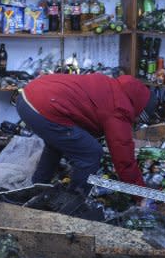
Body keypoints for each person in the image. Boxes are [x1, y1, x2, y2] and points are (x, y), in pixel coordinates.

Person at [16, 73, 157, 192]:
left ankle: (37, 187)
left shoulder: (111, 86)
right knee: (90, 154)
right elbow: (124, 159)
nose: (135, 122)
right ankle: (74, 202)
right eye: (138, 120)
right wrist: (139, 193)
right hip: (43, 106)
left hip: (28, 96)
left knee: (57, 144)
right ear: (139, 110)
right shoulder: (120, 108)